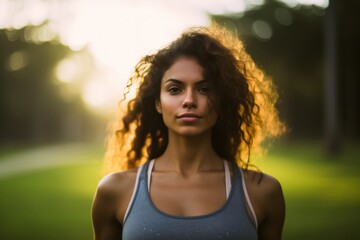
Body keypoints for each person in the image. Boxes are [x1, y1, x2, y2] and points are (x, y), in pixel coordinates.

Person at [92, 25, 286, 240]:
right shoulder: (115, 191)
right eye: (175, 89)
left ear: (221, 101)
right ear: (158, 103)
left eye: (204, 89)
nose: (189, 101)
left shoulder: (262, 192)